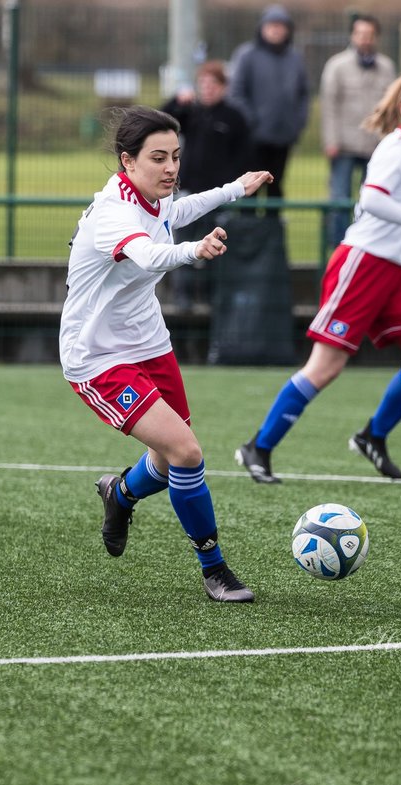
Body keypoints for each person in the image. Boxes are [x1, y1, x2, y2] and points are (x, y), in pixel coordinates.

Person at [60, 105, 273, 603]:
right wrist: (193, 252)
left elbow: (176, 212)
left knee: (166, 455)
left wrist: (236, 188)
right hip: (97, 356)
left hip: (149, 342)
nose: (171, 168)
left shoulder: (152, 198)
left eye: (176, 156)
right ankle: (214, 568)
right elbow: (150, 252)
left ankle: (121, 494)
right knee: (187, 452)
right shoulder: (113, 213)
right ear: (127, 161)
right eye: (159, 158)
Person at [235, 70, 401, 484]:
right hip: (363, 265)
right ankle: (257, 448)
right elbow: (371, 199)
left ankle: (373, 436)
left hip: (391, 273)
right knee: (325, 368)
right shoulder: (399, 146)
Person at [160, 60, 253, 310]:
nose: (207, 90)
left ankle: (213, 297)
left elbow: (243, 155)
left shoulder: (234, 118)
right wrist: (177, 101)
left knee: (215, 248)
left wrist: (233, 184)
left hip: (218, 196)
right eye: (203, 85)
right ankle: (184, 297)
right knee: (182, 245)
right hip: (189, 189)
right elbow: (162, 119)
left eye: (212, 85)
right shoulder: (191, 112)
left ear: (223, 87)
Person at [321, 15, 396, 246]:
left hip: (374, 146)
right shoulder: (337, 65)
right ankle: (339, 248)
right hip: (344, 145)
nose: (365, 39)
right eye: (360, 34)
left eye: (369, 35)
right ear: (353, 36)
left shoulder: (386, 67)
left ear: (376, 37)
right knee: (340, 200)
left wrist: (388, 141)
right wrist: (331, 140)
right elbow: (329, 105)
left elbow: (391, 107)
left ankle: (367, 246)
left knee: (372, 200)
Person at [228, 4, 309, 209]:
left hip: (283, 138)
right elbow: (235, 93)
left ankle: (273, 238)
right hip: (253, 139)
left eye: (281, 26)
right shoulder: (246, 55)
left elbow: (303, 94)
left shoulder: (295, 58)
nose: (276, 30)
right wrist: (252, 121)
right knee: (251, 189)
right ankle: (250, 238)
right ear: (262, 28)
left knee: (276, 188)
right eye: (272, 25)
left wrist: (297, 123)